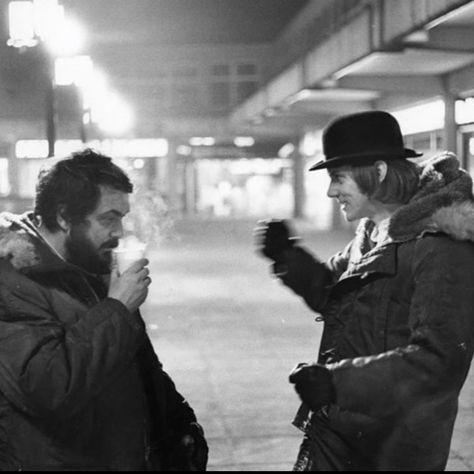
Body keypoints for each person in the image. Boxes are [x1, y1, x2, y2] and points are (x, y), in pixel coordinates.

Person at [255, 110, 474, 471]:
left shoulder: (440, 245)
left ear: (379, 172)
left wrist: (338, 382)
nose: (331, 191)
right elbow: (333, 293)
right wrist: (287, 255)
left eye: (337, 178)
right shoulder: (373, 232)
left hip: (391, 448)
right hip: (338, 432)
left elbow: (440, 360)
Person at [0, 149, 208, 471]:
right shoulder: (13, 280)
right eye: (108, 218)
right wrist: (117, 308)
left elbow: (140, 366)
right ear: (63, 217)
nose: (119, 232)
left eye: (122, 218)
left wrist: (180, 425)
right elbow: (49, 387)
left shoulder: (89, 265)